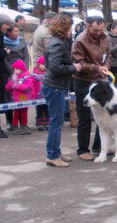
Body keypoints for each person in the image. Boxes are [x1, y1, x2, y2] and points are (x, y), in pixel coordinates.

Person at [42, 14, 81, 167]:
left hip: (57, 86)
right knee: (56, 123)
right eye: (70, 27)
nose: (71, 29)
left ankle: (56, 152)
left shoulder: (59, 42)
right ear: (64, 28)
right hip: (54, 86)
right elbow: (54, 66)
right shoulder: (56, 44)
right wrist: (73, 68)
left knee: (56, 122)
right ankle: (52, 155)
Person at [72, 16, 111, 159]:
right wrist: (97, 68)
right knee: (85, 117)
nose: (98, 33)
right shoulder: (80, 41)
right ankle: (82, 150)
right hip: (83, 81)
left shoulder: (105, 38)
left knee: (103, 115)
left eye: (101, 30)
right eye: (95, 30)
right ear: (87, 26)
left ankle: (99, 146)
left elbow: (108, 56)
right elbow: (78, 63)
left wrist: (106, 66)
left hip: (100, 80)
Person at [3, 23, 30, 131]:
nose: (17, 33)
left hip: (22, 71)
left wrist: (24, 69)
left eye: (18, 31)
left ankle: (22, 122)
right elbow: (3, 58)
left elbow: (26, 55)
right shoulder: (3, 42)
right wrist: (12, 71)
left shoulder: (21, 40)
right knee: (9, 97)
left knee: (23, 97)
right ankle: (10, 121)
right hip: (9, 71)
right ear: (8, 32)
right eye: (15, 31)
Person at [5, 59, 35, 135]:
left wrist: (17, 85)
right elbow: (7, 87)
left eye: (17, 69)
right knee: (16, 113)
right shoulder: (13, 77)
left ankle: (24, 125)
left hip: (23, 98)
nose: (15, 71)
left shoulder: (26, 77)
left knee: (24, 112)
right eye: (14, 69)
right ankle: (15, 126)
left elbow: (27, 87)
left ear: (22, 69)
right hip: (15, 99)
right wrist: (11, 84)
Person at [32, 55, 49, 130]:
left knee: (47, 109)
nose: (43, 66)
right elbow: (32, 85)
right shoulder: (35, 74)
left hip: (47, 95)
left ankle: (48, 122)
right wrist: (33, 94)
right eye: (42, 64)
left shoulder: (49, 74)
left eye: (45, 64)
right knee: (39, 109)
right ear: (38, 64)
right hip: (38, 96)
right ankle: (40, 122)